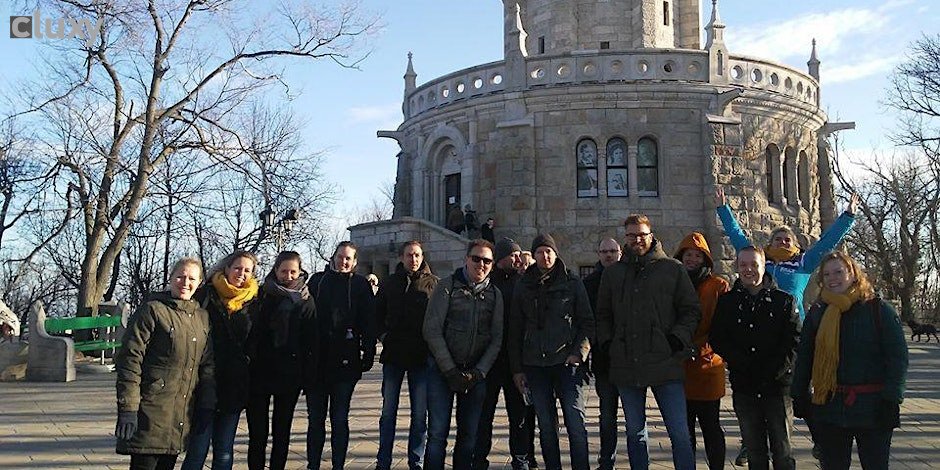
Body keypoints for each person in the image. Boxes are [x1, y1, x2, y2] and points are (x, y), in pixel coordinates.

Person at [715, 187, 857, 463]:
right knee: (753, 399)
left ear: (793, 243)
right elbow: (738, 238)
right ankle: (749, 442)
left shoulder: (803, 263)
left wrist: (847, 217)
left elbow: (827, 243)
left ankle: (818, 438)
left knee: (799, 393)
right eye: (777, 239)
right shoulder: (762, 264)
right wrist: (724, 211)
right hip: (761, 337)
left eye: (786, 239)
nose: (781, 242)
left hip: (793, 337)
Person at [595, 214, 700, 470]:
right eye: (631, 235)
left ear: (651, 234)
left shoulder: (672, 268)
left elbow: (691, 310)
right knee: (635, 432)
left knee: (679, 433)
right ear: (626, 238)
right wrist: (609, 344)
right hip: (627, 364)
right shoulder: (613, 274)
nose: (637, 239)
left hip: (665, 362)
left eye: (641, 234)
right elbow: (603, 315)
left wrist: (677, 339)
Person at [791, 252, 908, 470]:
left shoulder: (878, 310)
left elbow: (898, 358)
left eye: (838, 272)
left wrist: (892, 399)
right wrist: (799, 393)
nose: (832, 278)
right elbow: (805, 355)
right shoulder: (818, 312)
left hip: (873, 406)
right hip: (830, 406)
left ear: (853, 274)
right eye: (826, 274)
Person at [115, 257, 214, 470]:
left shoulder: (201, 317)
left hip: (180, 414)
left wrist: (205, 405)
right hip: (150, 409)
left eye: (191, 278)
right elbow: (130, 359)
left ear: (199, 283)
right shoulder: (153, 310)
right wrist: (128, 408)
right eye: (180, 276)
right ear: (170, 278)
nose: (185, 283)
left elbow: (207, 365)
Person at [509, 233, 595, 470]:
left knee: (575, 422)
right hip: (535, 365)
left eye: (549, 251)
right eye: (539, 252)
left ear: (556, 254)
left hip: (568, 363)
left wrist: (579, 352)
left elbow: (587, 322)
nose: (545, 256)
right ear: (533, 255)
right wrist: (517, 369)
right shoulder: (523, 284)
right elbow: (515, 328)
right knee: (546, 427)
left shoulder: (572, 282)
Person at [711, 246, 801, 470]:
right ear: (737, 267)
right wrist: (740, 363)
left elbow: (794, 341)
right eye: (743, 265)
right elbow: (718, 338)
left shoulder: (784, 301)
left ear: (764, 266)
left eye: (754, 264)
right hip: (745, 386)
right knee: (754, 450)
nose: (748, 269)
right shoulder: (727, 302)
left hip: (777, 387)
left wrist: (774, 370)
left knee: (782, 449)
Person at [423, 239, 504, 470]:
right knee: (438, 433)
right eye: (476, 258)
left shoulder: (495, 295)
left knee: (469, 435)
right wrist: (449, 369)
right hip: (442, 372)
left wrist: (479, 372)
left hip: (475, 374)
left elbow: (496, 338)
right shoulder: (447, 286)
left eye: (487, 260)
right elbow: (431, 329)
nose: (481, 264)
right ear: (466, 259)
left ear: (492, 264)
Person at [182, 251, 261, 470]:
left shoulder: (254, 301)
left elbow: (256, 340)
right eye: (237, 268)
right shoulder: (205, 295)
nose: (241, 274)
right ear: (226, 268)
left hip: (234, 384)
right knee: (197, 449)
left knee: (224, 450)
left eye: (247, 270)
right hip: (204, 381)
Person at [306, 241, 377, 469]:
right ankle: (313, 464)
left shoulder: (359, 285)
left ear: (354, 262)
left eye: (348, 258)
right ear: (333, 257)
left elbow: (368, 320)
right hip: (317, 361)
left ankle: (338, 465)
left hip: (345, 361)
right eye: (340, 257)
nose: (343, 262)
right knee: (315, 420)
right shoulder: (318, 280)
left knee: (339, 419)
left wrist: (368, 351)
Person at [245, 251, 317, 470]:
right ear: (275, 270)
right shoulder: (260, 294)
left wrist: (306, 375)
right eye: (283, 271)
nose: (288, 275)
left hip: (290, 372)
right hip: (260, 371)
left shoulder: (305, 299)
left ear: (299, 271)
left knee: (281, 430)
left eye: (292, 271)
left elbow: (311, 340)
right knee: (258, 432)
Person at [473, 237, 537, 470]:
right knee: (484, 414)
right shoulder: (487, 285)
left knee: (520, 414)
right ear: (501, 259)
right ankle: (479, 459)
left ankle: (522, 458)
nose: (518, 258)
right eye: (513, 255)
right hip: (490, 361)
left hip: (517, 362)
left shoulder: (524, 281)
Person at [375, 241, 439, 470]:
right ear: (402, 257)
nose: (414, 259)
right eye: (410, 255)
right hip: (393, 355)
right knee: (388, 412)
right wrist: (383, 335)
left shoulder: (434, 284)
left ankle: (416, 460)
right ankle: (383, 461)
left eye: (418, 255)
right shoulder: (390, 283)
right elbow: (377, 313)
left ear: (423, 257)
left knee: (419, 414)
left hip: (421, 357)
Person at [674, 232, 730, 470]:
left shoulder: (718, 286)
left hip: (708, 366)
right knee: (684, 430)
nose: (692, 259)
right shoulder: (674, 284)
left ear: (705, 259)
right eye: (688, 254)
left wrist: (700, 348)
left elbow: (722, 325)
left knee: (711, 426)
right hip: (680, 367)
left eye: (698, 255)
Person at [582, 237, 622, 470]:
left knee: (635, 416)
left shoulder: (629, 277)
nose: (608, 255)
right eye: (604, 251)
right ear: (598, 254)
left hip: (629, 360)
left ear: (619, 252)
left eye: (613, 251)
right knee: (607, 415)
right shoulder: (590, 283)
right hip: (604, 361)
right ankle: (607, 460)